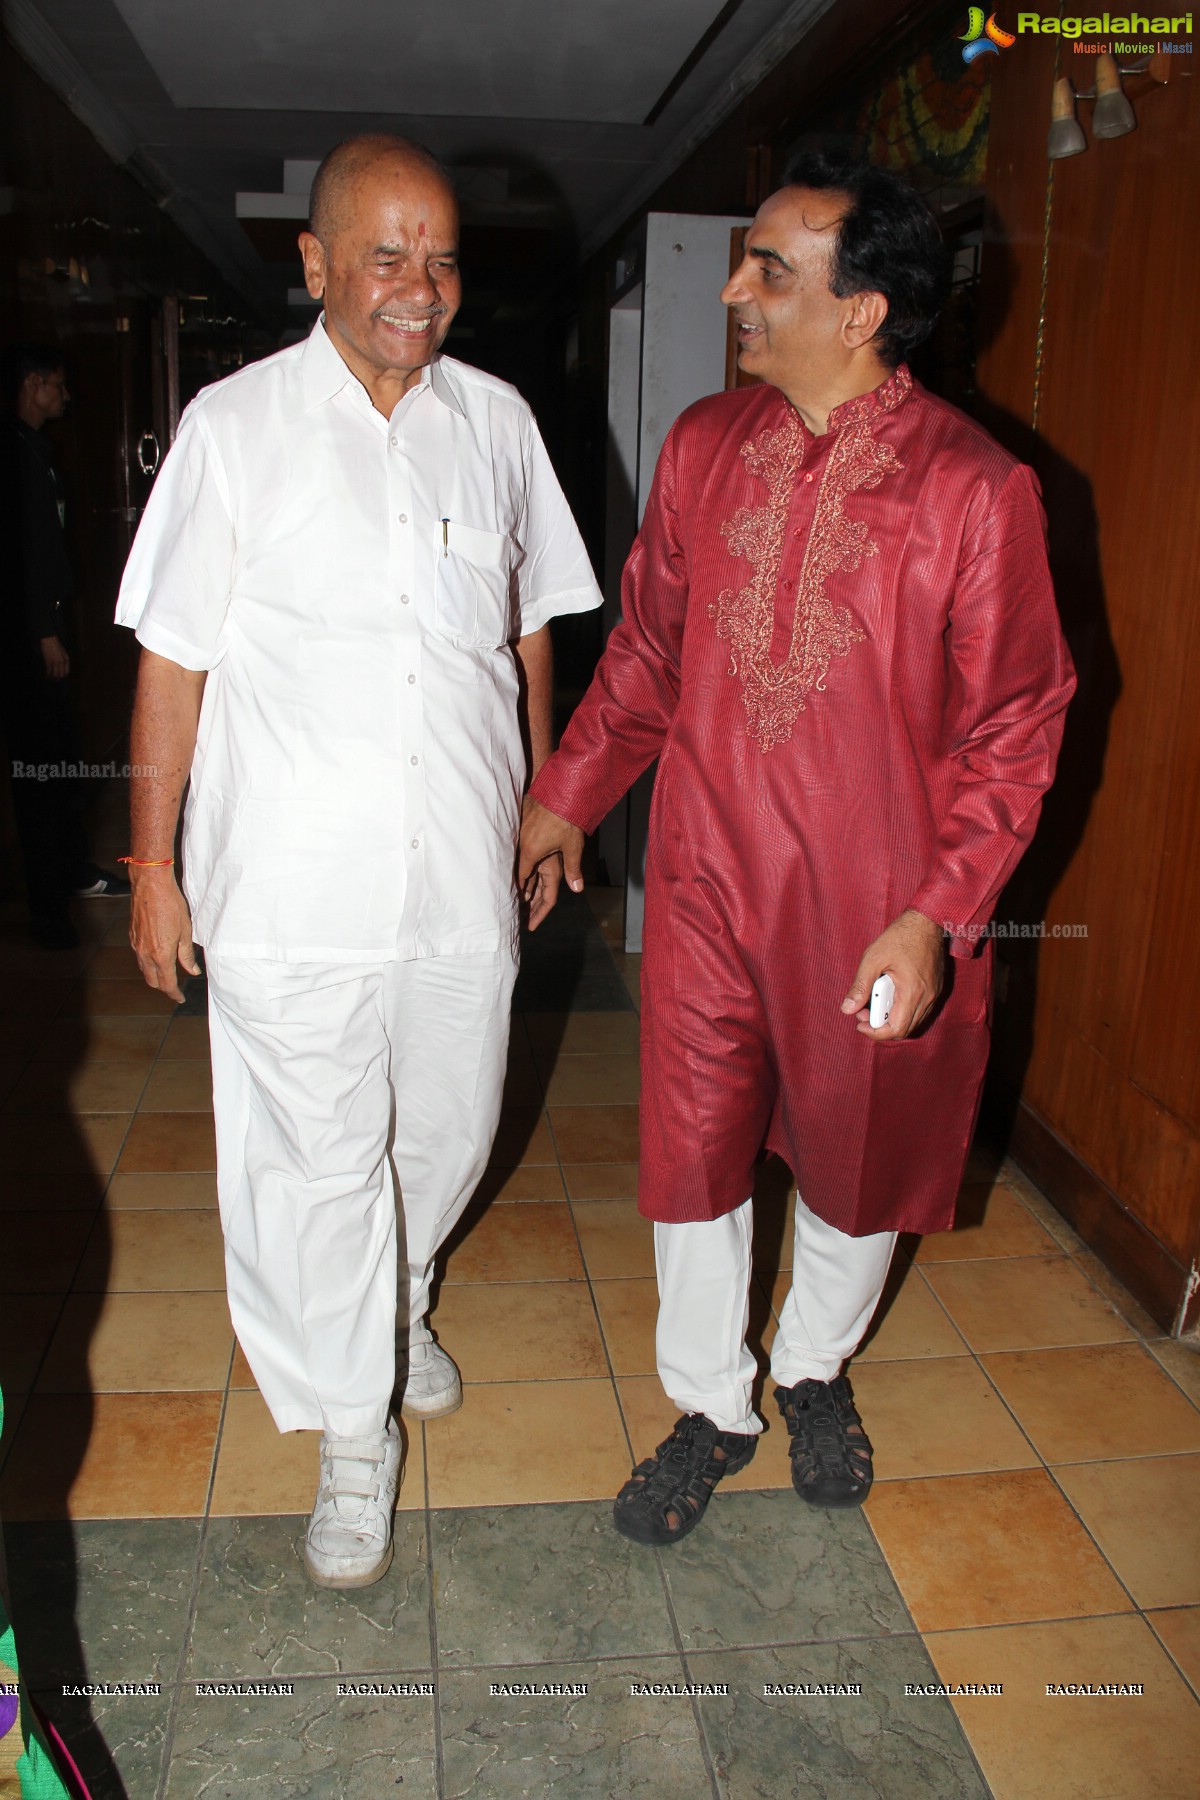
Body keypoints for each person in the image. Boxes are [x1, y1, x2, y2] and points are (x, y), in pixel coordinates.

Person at [520, 148, 1075, 1546]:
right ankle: (711, 1402)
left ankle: (814, 1366)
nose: (739, 288)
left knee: (856, 1148)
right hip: (709, 876)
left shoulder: (975, 490)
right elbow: (647, 650)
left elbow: (1019, 721)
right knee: (694, 1149)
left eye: (773, 267)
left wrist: (940, 913)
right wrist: (569, 791)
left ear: (866, 308)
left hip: (875, 898)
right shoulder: (705, 449)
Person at [116, 134, 601, 1587]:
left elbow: (531, 626)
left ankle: (399, 1298)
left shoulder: (499, 423)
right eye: (385, 253)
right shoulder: (233, 426)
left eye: (443, 257)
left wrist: (545, 796)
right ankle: (351, 1432)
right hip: (288, 882)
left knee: (446, 1134)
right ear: (315, 264)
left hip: (458, 865)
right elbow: (172, 662)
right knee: (320, 1163)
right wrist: (151, 863)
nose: (421, 285)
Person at [1, 345, 129, 949]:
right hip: (27, 640)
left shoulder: (36, 451)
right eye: (57, 385)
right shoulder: (14, 455)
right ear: (32, 384)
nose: (65, 396)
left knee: (60, 758)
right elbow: (22, 558)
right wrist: (44, 631)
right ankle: (46, 907)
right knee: (37, 771)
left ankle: (73, 873)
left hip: (45, 628)